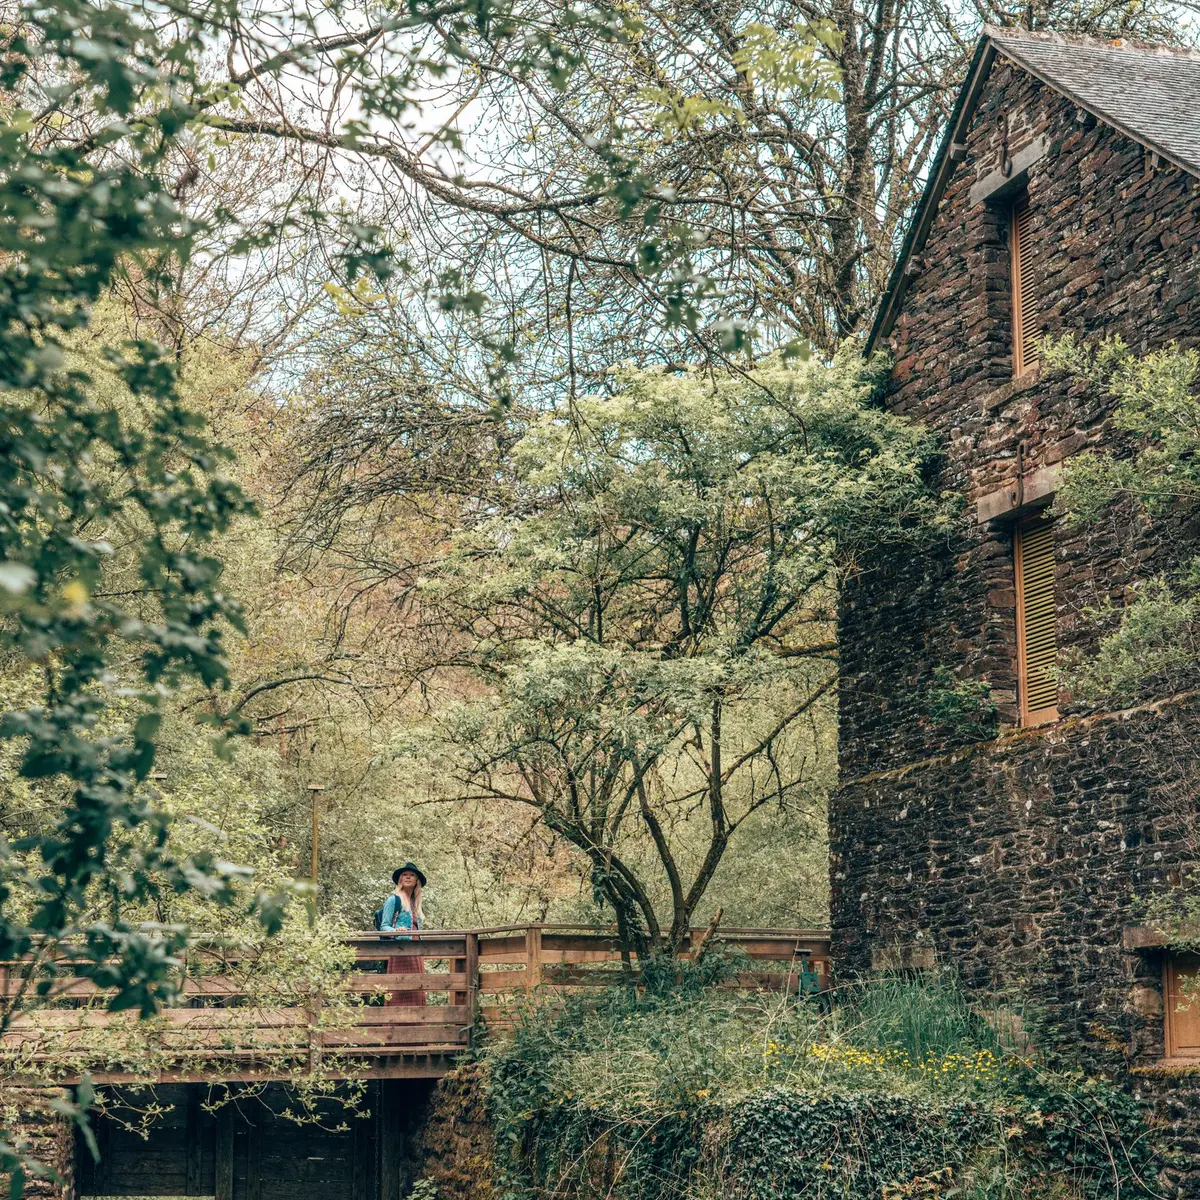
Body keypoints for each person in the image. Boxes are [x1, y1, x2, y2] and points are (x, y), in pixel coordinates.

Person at [382, 862, 426, 1007]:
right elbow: (384, 927)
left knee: (417, 989)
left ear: (416, 881)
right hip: (400, 950)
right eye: (405, 875)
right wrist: (395, 931)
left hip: (416, 952)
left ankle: (416, 1027)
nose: (408, 877)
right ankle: (395, 1027)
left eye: (412, 875)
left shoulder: (415, 903)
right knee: (399, 989)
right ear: (400, 879)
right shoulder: (394, 900)